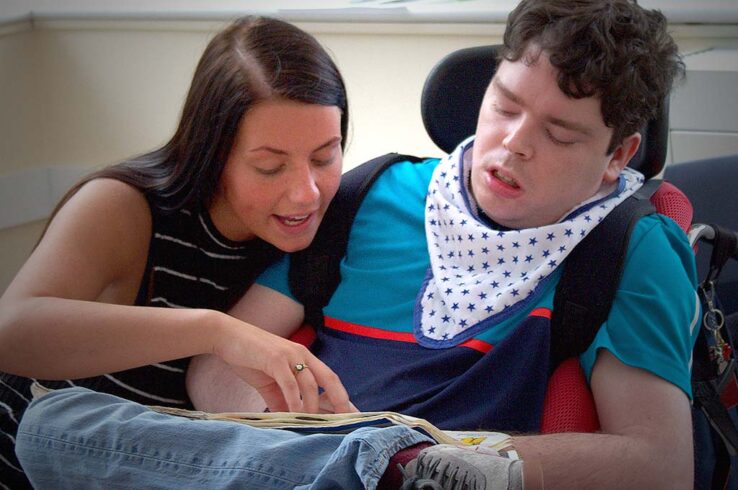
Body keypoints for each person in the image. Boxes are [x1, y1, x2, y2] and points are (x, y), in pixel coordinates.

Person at [15, 1, 697, 488]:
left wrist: (467, 466)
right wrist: (297, 442)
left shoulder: (632, 247)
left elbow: (660, 466)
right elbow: (215, 366)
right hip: (282, 462)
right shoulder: (367, 194)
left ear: (619, 154)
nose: (513, 145)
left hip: (449, 472)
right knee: (55, 424)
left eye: (560, 133)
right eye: (506, 104)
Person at [0, 16, 356, 489]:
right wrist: (214, 331)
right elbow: (12, 332)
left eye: (324, 156)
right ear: (212, 151)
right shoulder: (124, 208)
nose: (306, 194)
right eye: (270, 167)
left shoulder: (333, 226)